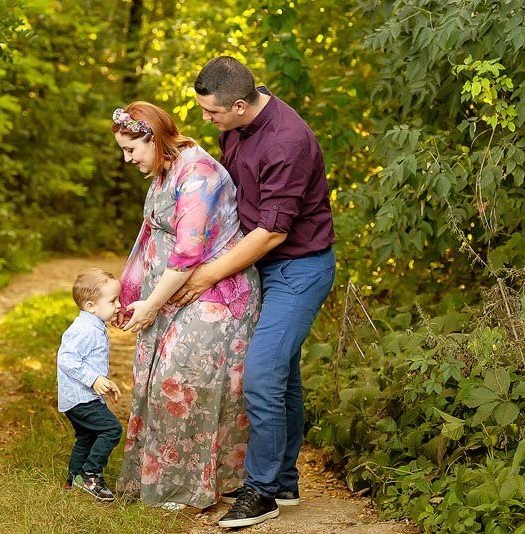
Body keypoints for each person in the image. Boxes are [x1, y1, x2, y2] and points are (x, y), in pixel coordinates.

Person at [173, 56, 336, 528]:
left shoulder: (288, 142)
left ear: (240, 104)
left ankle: (260, 491)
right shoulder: (236, 126)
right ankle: (283, 482)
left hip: (297, 269)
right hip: (257, 265)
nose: (207, 120)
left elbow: (271, 232)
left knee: (261, 375)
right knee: (283, 376)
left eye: (212, 113)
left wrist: (206, 275)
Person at [111, 102, 262, 511]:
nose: (128, 159)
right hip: (173, 294)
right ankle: (171, 481)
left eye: (131, 149)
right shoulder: (165, 171)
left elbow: (187, 253)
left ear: (154, 139)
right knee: (161, 379)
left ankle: (190, 486)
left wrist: (150, 304)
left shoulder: (198, 173)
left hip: (212, 295)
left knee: (182, 383)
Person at [56, 268, 124, 502]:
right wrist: (93, 379)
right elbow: (66, 358)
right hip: (81, 397)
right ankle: (91, 475)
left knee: (86, 437)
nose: (118, 306)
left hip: (78, 397)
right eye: (113, 300)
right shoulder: (85, 329)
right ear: (91, 306)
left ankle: (73, 479)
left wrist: (103, 382)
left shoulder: (93, 324)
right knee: (111, 430)